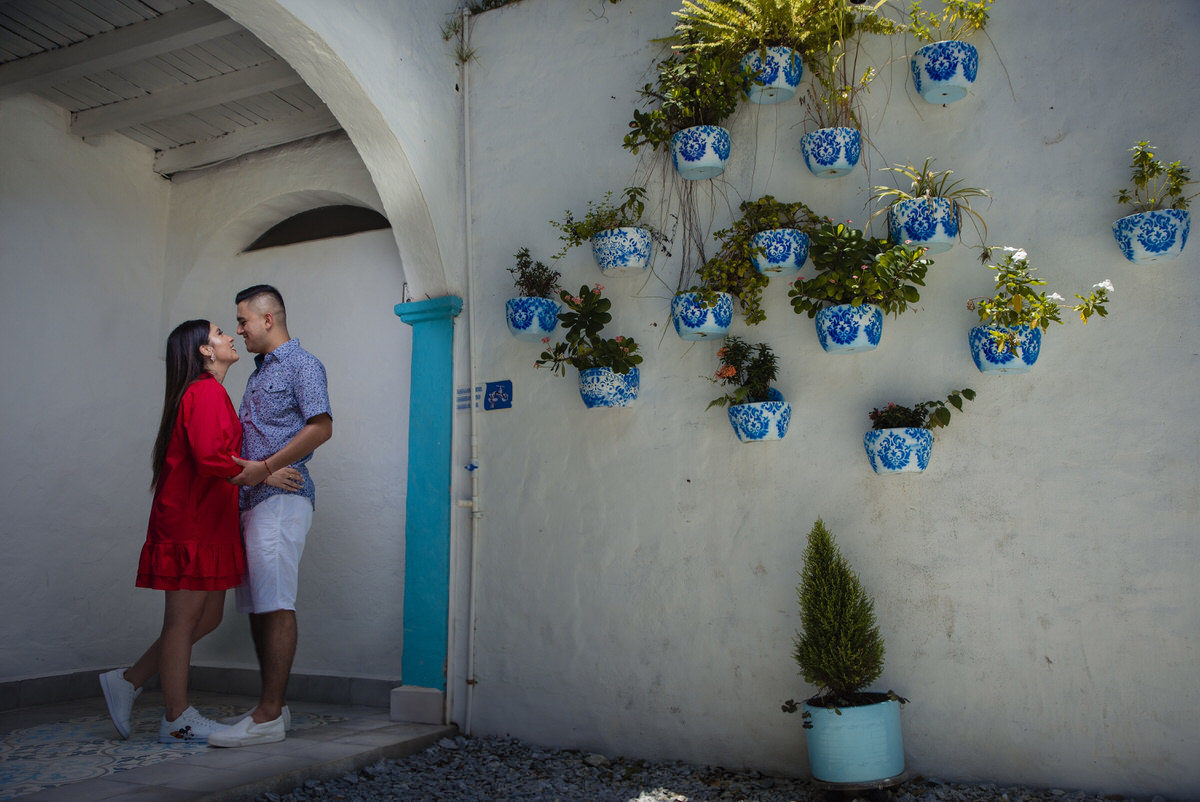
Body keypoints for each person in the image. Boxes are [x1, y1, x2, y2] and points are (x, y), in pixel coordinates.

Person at [99, 320, 302, 743]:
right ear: (205, 352)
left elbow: (217, 454)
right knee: (182, 620)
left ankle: (129, 680)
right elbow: (211, 456)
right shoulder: (205, 391)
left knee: (205, 618)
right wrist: (265, 475)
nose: (230, 337)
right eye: (220, 332)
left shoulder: (211, 393)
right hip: (190, 520)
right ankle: (177, 717)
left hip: (210, 518)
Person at [208, 285, 332, 748]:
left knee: (275, 602)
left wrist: (266, 468)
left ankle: (268, 716)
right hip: (253, 501)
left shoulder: (303, 364)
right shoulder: (258, 374)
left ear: (267, 319)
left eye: (242, 321)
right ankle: (270, 707)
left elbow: (322, 426)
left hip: (282, 498)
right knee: (261, 604)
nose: (238, 330)